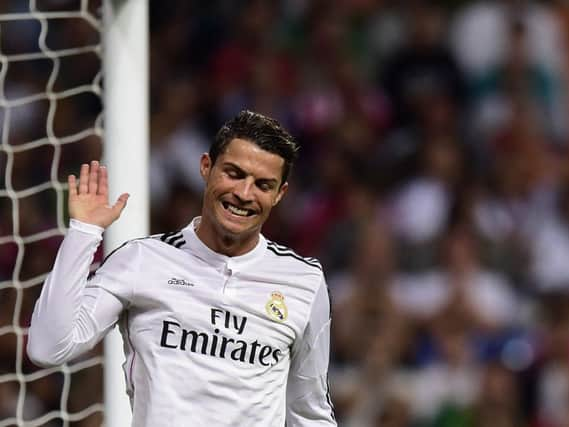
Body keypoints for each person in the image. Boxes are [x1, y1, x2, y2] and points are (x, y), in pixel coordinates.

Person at [27, 110, 337, 426]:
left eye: (262, 184)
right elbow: (47, 346)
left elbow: (309, 412)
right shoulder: (141, 260)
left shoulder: (304, 281)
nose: (244, 194)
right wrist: (85, 231)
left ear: (279, 194)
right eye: (233, 173)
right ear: (206, 167)